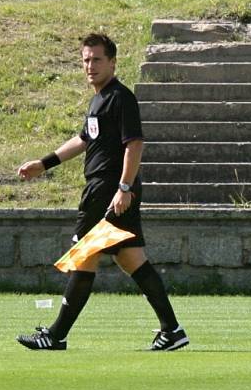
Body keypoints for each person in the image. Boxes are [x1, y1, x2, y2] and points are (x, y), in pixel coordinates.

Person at [16, 33, 189, 352]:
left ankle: (55, 335)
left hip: (108, 192)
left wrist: (124, 187)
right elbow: (84, 140)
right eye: (86, 60)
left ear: (112, 62)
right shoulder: (100, 99)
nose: (90, 66)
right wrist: (44, 164)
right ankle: (172, 330)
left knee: (85, 255)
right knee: (131, 259)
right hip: (108, 191)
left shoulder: (121, 97)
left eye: (97, 59)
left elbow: (134, 144)